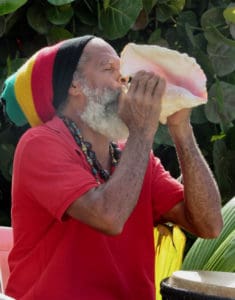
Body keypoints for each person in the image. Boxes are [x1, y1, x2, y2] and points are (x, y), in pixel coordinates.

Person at [1, 35, 223, 300]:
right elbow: (108, 216)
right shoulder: (40, 144)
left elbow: (209, 226)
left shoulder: (133, 155)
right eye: (109, 69)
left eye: (123, 71)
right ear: (74, 84)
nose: (124, 79)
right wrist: (142, 131)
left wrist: (180, 128)